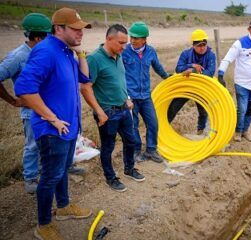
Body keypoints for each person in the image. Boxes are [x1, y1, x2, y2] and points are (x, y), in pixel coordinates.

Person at [14, 8, 93, 240]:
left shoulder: (67, 51)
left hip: (68, 128)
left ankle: (64, 207)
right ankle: (44, 224)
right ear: (58, 28)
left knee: (62, 170)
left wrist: (81, 54)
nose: (81, 33)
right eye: (75, 29)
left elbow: (84, 79)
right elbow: (24, 90)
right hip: (53, 130)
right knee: (50, 176)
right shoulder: (46, 52)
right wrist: (52, 118)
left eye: (82, 29)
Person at [82, 24, 145, 193]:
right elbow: (86, 88)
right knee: (108, 147)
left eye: (126, 43)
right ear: (108, 39)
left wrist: (128, 98)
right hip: (108, 112)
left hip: (124, 108)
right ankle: (110, 178)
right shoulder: (94, 59)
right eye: (121, 43)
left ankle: (129, 169)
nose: (124, 46)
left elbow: (119, 81)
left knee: (131, 140)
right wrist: (100, 112)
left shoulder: (118, 55)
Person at [0, 13, 51, 194]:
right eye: (48, 35)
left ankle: (48, 173)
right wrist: (13, 101)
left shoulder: (45, 53)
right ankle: (30, 178)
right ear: (37, 37)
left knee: (49, 143)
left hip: (49, 110)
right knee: (33, 145)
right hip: (31, 112)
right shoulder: (18, 57)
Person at [122, 21, 169, 163]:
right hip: (131, 96)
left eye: (136, 38)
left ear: (144, 39)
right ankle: (136, 151)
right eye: (131, 37)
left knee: (153, 123)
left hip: (146, 95)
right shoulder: (124, 52)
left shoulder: (151, 52)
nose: (132, 40)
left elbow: (158, 67)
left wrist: (168, 78)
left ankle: (151, 150)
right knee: (133, 125)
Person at [167, 29, 217, 135]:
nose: (202, 47)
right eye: (199, 45)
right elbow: (178, 69)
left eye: (204, 44)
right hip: (186, 87)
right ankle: (163, 127)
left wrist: (192, 72)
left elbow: (210, 72)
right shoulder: (186, 54)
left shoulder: (211, 55)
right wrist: (191, 66)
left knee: (203, 112)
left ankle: (200, 131)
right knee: (173, 108)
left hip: (201, 88)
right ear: (193, 45)